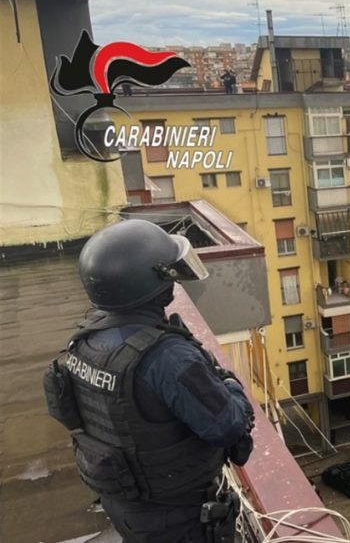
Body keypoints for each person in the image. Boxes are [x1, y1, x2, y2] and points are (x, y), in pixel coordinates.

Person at [43, 219, 254, 543]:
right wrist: (229, 382)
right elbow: (228, 425)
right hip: (177, 520)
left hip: (125, 507)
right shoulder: (168, 358)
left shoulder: (84, 342)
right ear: (153, 284)